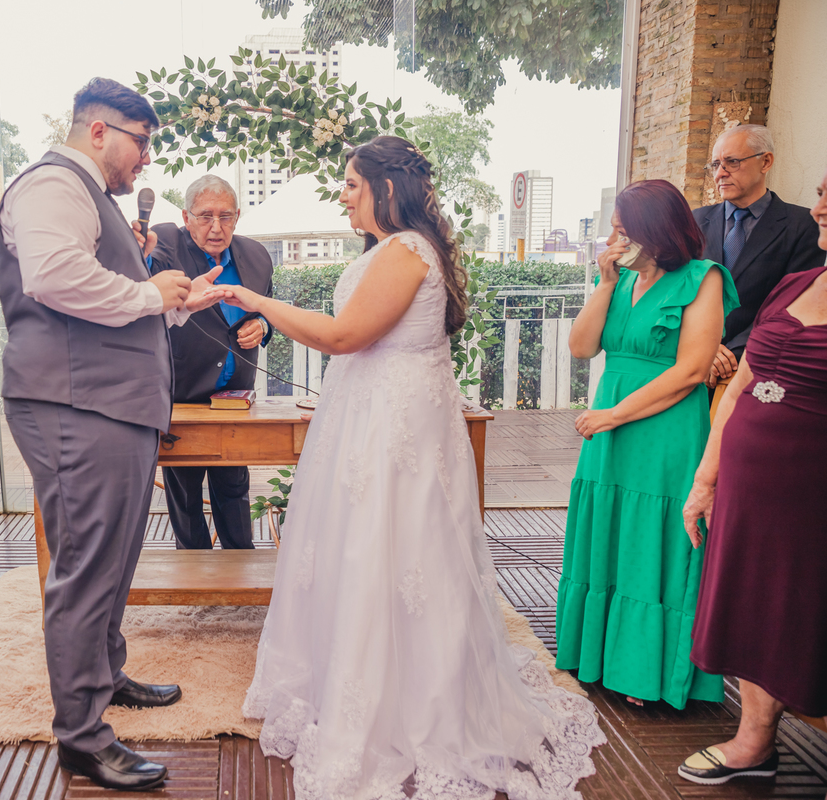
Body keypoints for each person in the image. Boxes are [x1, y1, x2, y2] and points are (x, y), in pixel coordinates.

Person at [220, 136, 605, 800]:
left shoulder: (406, 252)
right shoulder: (389, 251)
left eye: (349, 184)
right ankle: (349, 681)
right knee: (365, 555)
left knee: (397, 554)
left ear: (383, 188)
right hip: (372, 417)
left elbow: (345, 337)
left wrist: (256, 302)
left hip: (397, 431)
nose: (342, 195)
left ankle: (403, 709)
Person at [0, 78, 226, 791]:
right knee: (87, 566)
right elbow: (55, 277)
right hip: (74, 406)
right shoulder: (54, 185)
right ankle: (82, 737)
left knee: (115, 558)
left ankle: (106, 674)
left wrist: (181, 298)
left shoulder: (88, 197)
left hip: (106, 405)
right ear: (98, 131)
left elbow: (113, 303)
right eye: (141, 142)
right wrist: (147, 291)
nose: (145, 160)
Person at [556, 179, 738, 709]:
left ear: (655, 230)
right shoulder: (619, 280)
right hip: (610, 429)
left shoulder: (703, 280)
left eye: (622, 228)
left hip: (662, 431)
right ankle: (597, 656)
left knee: (651, 541)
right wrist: (605, 282)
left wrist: (612, 414)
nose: (615, 238)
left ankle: (645, 671)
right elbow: (583, 346)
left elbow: (691, 371)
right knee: (609, 530)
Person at [677, 168, 827, 786]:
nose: (820, 208)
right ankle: (754, 743)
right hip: (747, 484)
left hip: (810, 492)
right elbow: (740, 383)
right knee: (751, 604)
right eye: (822, 193)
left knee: (798, 610)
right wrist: (706, 477)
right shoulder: (801, 279)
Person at [149, 175, 273, 550]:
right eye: (205, 217)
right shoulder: (168, 243)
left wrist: (262, 324)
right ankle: (194, 577)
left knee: (234, 486)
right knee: (184, 497)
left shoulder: (257, 256)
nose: (216, 228)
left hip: (235, 401)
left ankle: (241, 569)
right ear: (187, 218)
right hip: (182, 397)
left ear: (237, 217)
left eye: (225, 217)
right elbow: (145, 270)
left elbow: (268, 306)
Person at [694, 124, 820, 387]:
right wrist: (704, 346)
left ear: (765, 162)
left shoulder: (802, 225)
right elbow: (676, 292)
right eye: (715, 164)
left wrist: (732, 353)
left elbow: (791, 304)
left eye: (732, 162)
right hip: (690, 363)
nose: (720, 174)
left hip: (756, 369)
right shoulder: (695, 221)